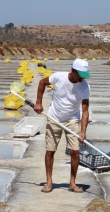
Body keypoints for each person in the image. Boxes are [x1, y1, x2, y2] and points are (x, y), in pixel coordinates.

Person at [34, 59, 91, 193]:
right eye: (80, 75)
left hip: (72, 120)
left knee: (75, 152)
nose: (82, 78)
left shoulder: (85, 86)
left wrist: (83, 131)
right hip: (54, 118)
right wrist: (38, 102)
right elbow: (42, 82)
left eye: (85, 75)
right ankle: (49, 182)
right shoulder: (58, 77)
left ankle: (72, 183)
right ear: (73, 71)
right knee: (50, 151)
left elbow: (85, 111)